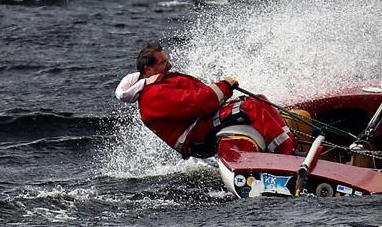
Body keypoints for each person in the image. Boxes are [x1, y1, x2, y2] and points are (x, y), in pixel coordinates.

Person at [114, 42, 296, 159]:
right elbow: (197, 103)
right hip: (196, 136)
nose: (169, 65)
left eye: (167, 60)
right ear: (148, 69)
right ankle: (288, 156)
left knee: (259, 100)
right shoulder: (153, 95)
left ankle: (291, 143)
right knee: (250, 107)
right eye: (163, 63)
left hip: (203, 123)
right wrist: (225, 86)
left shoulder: (160, 82)